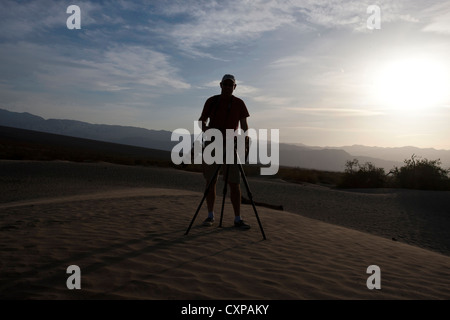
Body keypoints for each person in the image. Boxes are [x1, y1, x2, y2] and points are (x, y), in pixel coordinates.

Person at [198, 74, 251, 229]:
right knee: (210, 181)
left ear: (235, 87)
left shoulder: (239, 103)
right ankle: (210, 216)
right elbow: (202, 120)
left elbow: (244, 125)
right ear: (220, 85)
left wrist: (243, 140)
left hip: (230, 144)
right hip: (212, 143)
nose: (228, 87)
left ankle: (237, 218)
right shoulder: (212, 101)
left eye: (231, 85)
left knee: (234, 182)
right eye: (225, 84)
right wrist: (209, 133)